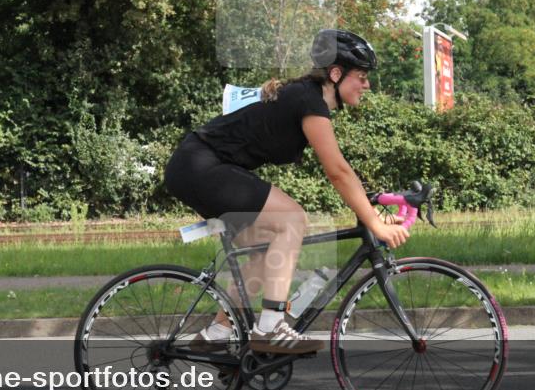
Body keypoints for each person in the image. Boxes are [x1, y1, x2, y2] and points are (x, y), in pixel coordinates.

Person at [163, 29, 408, 355]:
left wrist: (371, 204)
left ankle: (218, 332)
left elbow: (342, 170)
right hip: (201, 166)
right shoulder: (309, 99)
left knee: (266, 251)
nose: (367, 85)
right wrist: (375, 224)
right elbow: (337, 171)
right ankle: (270, 329)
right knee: (291, 219)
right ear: (336, 74)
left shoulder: (308, 97)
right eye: (361, 77)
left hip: (197, 166)